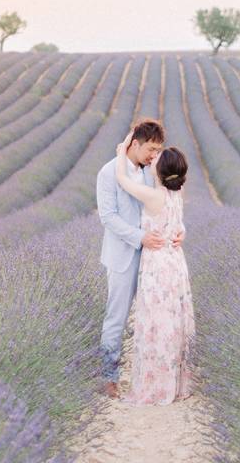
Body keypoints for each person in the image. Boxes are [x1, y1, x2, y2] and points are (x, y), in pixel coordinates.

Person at [96, 119, 183, 400]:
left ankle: (153, 376)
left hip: (153, 259)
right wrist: (139, 237)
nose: (155, 155)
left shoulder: (152, 171)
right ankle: (109, 378)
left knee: (153, 319)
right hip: (124, 254)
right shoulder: (109, 173)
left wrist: (180, 230)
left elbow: (169, 204)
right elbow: (108, 217)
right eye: (151, 148)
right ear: (136, 144)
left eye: (158, 150)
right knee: (117, 318)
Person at [113, 130, 195, 405]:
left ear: (160, 171)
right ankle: (175, 384)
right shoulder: (177, 195)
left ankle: (154, 387)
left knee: (155, 324)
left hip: (157, 266)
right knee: (175, 323)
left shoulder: (154, 197)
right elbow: (179, 224)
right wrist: (181, 231)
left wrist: (121, 152)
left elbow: (123, 180)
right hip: (176, 264)